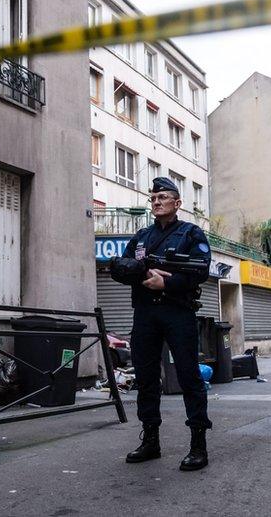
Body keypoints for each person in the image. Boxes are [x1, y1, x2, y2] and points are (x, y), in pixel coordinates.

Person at [110, 177, 212, 471]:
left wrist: (165, 283)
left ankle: (198, 445)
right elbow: (122, 268)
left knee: (189, 377)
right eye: (153, 198)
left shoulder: (191, 234)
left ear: (177, 203)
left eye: (163, 197)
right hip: (145, 315)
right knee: (145, 378)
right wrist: (138, 272)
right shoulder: (142, 236)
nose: (156, 202)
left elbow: (200, 272)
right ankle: (150, 440)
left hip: (177, 312)